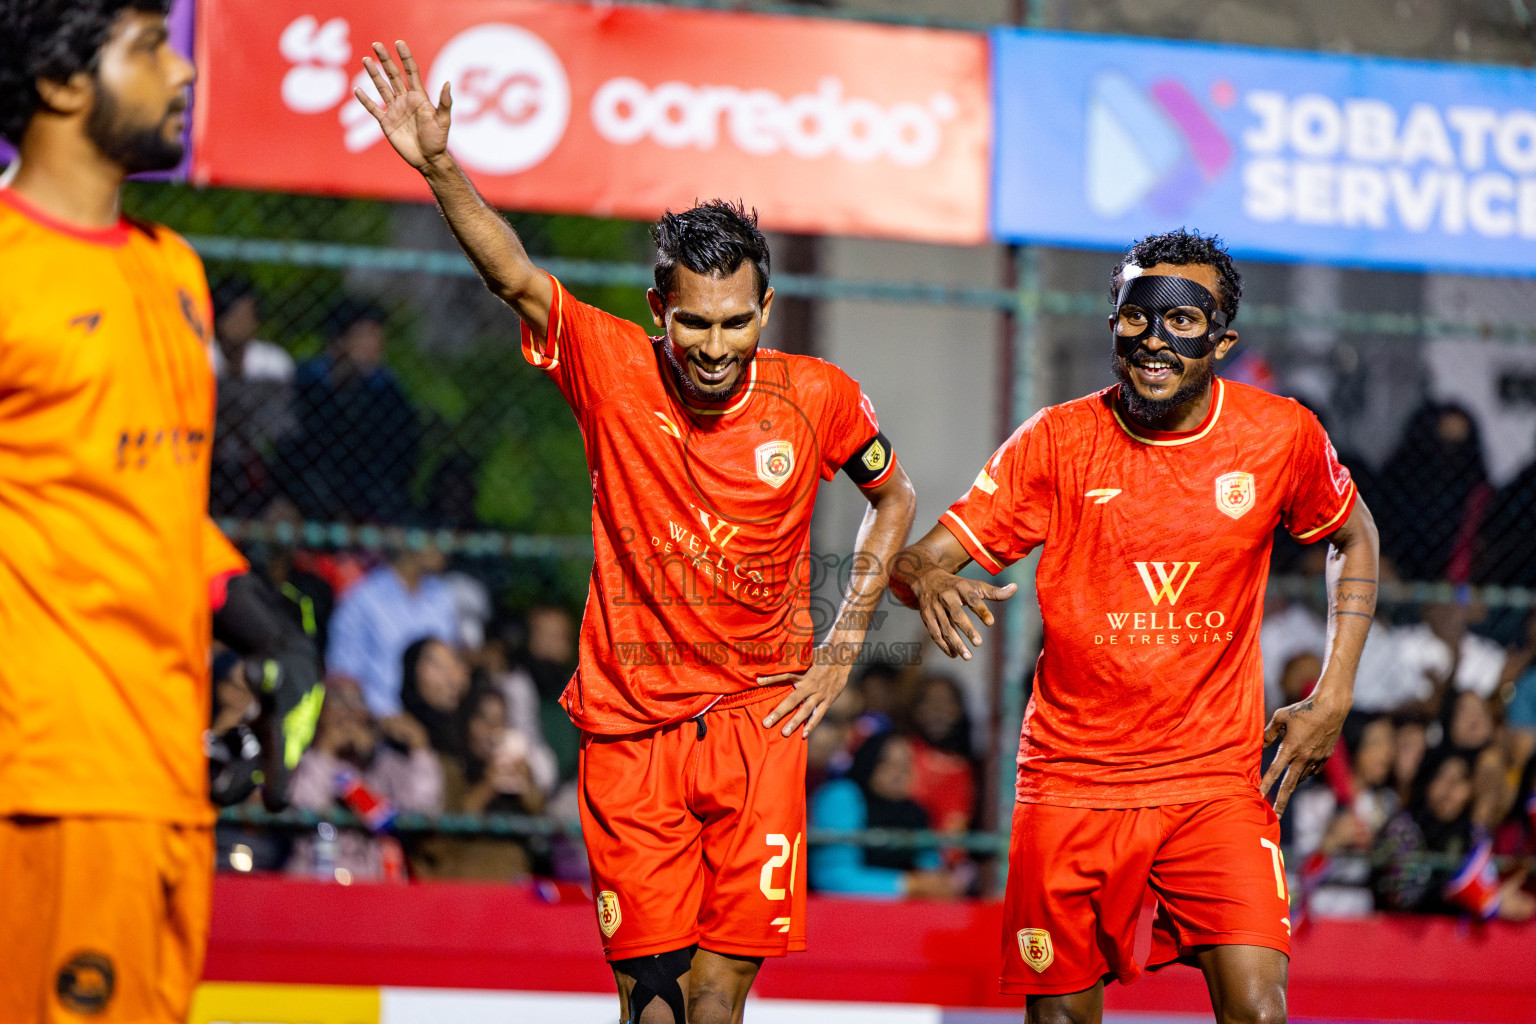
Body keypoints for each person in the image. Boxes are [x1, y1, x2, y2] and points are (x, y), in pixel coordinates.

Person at [358, 42, 916, 1024]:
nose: (714, 347)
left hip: (759, 727)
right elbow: (515, 279)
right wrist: (440, 166)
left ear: (765, 309)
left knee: (717, 1000)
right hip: (630, 730)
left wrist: (842, 647)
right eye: (693, 324)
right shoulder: (611, 367)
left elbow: (894, 497)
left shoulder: (818, 397)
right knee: (653, 1004)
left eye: (736, 323)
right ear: (660, 310)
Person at [892, 230, 1379, 1023]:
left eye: (1181, 321)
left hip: (1213, 783)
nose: (1154, 340)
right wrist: (928, 578)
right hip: (1072, 781)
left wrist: (1334, 695)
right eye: (1136, 318)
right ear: (1114, 323)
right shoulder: (1057, 439)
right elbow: (917, 562)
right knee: (1060, 1018)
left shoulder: (1280, 434)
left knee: (1259, 1010)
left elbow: (1354, 536)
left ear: (1221, 341)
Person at [0, 4, 320, 1021]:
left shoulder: (173, 267)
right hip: (52, 781)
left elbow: (159, 500)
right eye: (147, 48)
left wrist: (268, 630)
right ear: (59, 82)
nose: (182, 71)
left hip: (168, 781)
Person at [280, 297, 419, 523]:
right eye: (366, 335)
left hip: (368, 496)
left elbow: (400, 457)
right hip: (309, 490)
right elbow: (290, 448)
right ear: (338, 341)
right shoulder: (307, 383)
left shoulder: (387, 393)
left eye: (378, 335)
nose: (375, 344)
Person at [808, 731, 962, 899]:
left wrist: (937, 885)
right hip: (839, 909)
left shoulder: (915, 813)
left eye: (906, 765)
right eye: (888, 764)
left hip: (903, 911)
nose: (899, 773)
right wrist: (909, 885)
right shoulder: (841, 796)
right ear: (869, 761)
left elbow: (931, 871)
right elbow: (832, 876)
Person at [326, 541, 458, 719]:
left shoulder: (442, 595)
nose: (445, 546)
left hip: (436, 718)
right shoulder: (361, 599)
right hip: (376, 719)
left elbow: (451, 666)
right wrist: (384, 716)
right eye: (435, 537)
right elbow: (343, 676)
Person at [208, 273, 295, 515]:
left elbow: (278, 429)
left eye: (247, 316)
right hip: (209, 461)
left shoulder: (273, 364)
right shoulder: (200, 358)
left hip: (255, 464)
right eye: (234, 314)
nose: (241, 323)